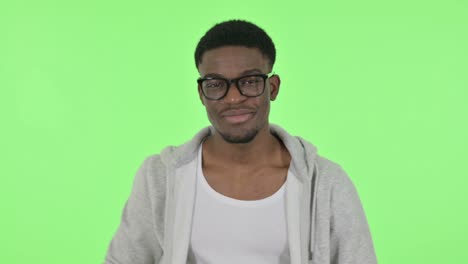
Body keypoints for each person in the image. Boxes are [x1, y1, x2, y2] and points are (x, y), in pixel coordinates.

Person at [104, 20, 377, 264]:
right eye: (216, 84)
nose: (233, 98)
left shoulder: (326, 182)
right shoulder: (160, 176)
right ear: (201, 92)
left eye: (249, 81)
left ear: (273, 87)